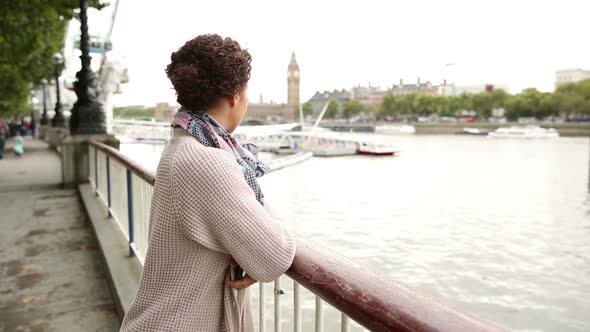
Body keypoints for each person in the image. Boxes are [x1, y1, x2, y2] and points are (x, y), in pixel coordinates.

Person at [120, 34, 296, 332]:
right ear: (234, 97)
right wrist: (256, 255)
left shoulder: (182, 144)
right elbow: (275, 254)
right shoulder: (208, 162)